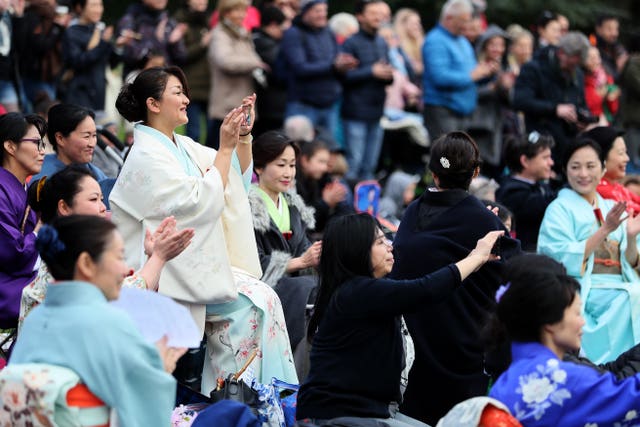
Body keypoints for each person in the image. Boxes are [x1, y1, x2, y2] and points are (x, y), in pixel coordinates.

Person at [109, 66, 297, 392]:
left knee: (265, 298)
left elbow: (230, 176)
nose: (186, 99)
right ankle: (232, 395)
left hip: (190, 264)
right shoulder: (144, 156)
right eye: (177, 92)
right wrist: (225, 149)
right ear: (153, 104)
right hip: (160, 273)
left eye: (184, 91)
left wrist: (240, 137)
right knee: (254, 304)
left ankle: (266, 398)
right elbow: (200, 203)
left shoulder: (181, 145)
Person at [296, 213, 503, 426]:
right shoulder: (356, 293)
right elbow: (426, 289)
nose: (389, 246)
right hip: (339, 417)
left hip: (366, 412)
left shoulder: (359, 291)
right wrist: (475, 257)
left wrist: (473, 250)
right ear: (356, 250)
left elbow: (424, 285)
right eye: (379, 241)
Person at [390, 131, 520, 424]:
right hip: (461, 341)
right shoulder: (482, 219)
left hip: (411, 342)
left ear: (433, 174)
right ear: (475, 172)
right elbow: (516, 268)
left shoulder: (413, 212)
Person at [11, 215, 179, 426]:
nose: (125, 269)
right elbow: (145, 410)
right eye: (119, 257)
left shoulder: (36, 317)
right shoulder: (112, 323)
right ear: (87, 264)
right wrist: (161, 368)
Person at [19, 165, 194, 329]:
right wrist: (158, 257)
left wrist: (154, 256)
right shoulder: (65, 253)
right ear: (64, 207)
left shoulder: (70, 246)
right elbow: (121, 296)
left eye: (101, 199)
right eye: (94, 199)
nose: (103, 208)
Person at [489, 253, 640, 426]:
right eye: (576, 313)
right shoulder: (565, 378)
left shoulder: (505, 381)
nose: (582, 321)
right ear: (550, 321)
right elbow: (629, 397)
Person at [538, 138, 640, 363]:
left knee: (633, 293)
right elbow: (558, 257)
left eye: (591, 166)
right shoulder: (558, 210)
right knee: (630, 296)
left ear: (603, 168)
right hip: (584, 289)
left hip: (621, 283)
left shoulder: (609, 206)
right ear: (565, 170)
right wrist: (604, 230)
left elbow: (631, 262)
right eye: (575, 167)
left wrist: (631, 238)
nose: (583, 173)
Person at [248, 131, 320, 351]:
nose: (289, 173)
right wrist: (299, 262)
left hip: (293, 286)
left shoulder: (292, 205)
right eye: (281, 165)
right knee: (306, 285)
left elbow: (304, 248)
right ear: (259, 167)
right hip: (263, 289)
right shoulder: (247, 206)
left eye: (292, 165)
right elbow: (252, 261)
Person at [513, 31, 591, 173]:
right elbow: (520, 101)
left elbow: (581, 103)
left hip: (568, 145)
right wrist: (555, 109)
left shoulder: (577, 72)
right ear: (561, 53)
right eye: (572, 62)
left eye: (577, 64)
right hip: (541, 143)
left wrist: (583, 118)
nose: (574, 67)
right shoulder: (534, 68)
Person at [421, 0, 499, 140]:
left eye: (469, 20)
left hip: (463, 112)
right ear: (449, 18)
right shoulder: (435, 40)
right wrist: (472, 75)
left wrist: (485, 72)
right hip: (443, 111)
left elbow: (472, 72)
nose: (467, 25)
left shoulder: (462, 40)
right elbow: (439, 77)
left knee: (458, 159)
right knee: (446, 159)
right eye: (464, 21)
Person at [278, 0, 357, 135]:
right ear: (305, 12)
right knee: (299, 149)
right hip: (303, 104)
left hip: (329, 104)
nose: (322, 15)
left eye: (324, 10)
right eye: (317, 11)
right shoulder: (294, 33)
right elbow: (299, 68)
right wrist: (333, 66)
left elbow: (337, 59)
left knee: (327, 150)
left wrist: (344, 66)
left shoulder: (328, 32)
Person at [0, 113, 46, 329]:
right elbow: (13, 253)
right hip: (7, 288)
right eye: (36, 143)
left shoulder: (21, 187)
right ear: (10, 146)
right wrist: (40, 230)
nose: (42, 151)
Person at [341, 0, 393, 182]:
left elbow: (386, 72)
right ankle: (346, 207)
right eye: (373, 13)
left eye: (380, 13)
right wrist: (371, 71)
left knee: (370, 167)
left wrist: (388, 75)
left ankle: (366, 207)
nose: (378, 17)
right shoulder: (350, 43)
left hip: (377, 112)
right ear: (360, 16)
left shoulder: (382, 42)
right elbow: (343, 77)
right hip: (355, 113)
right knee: (353, 165)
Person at [207, 0, 264, 149]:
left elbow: (253, 56)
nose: (242, 15)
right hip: (226, 104)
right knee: (218, 150)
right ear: (226, 13)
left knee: (242, 152)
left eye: (243, 11)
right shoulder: (220, 33)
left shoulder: (242, 32)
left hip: (243, 101)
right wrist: (253, 63)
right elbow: (225, 61)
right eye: (237, 11)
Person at [31, 103, 112, 200]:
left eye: (94, 136)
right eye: (86, 136)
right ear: (60, 138)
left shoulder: (97, 174)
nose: (92, 144)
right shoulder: (42, 176)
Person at [496, 131, 557, 251]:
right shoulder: (510, 192)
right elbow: (540, 204)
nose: (551, 162)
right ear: (525, 161)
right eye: (545, 157)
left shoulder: (540, 186)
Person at [173, 0, 213, 143]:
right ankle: (190, 163)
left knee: (213, 131)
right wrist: (202, 44)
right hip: (192, 85)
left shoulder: (209, 20)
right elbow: (180, 55)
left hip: (210, 84)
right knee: (193, 132)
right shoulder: (180, 22)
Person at [115, 0, 187, 79]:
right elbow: (129, 56)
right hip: (139, 81)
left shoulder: (169, 21)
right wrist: (158, 41)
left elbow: (181, 58)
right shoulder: (130, 20)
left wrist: (174, 43)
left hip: (165, 80)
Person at [585, 126, 640, 214]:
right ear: (601, 157)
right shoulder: (601, 191)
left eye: (625, 152)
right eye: (621, 153)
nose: (627, 158)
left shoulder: (615, 186)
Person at [583, 46, 619, 125]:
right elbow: (587, 107)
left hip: (606, 123)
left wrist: (611, 98)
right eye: (591, 58)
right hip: (590, 123)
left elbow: (614, 109)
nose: (596, 61)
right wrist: (600, 96)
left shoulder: (606, 77)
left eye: (597, 57)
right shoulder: (581, 79)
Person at [594, 13, 628, 79]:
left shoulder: (618, 47)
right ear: (598, 29)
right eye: (609, 29)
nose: (614, 33)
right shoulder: (594, 51)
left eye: (616, 29)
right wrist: (621, 69)